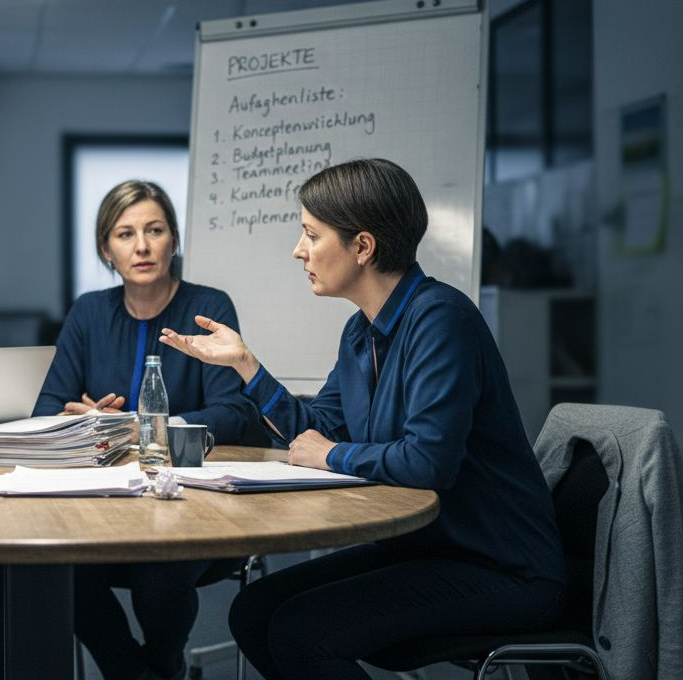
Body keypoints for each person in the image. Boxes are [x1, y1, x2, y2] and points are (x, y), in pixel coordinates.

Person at [160, 158, 566, 680]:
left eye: (311, 234)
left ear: (363, 247)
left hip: (501, 567)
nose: (298, 250)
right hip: (430, 547)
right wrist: (246, 364)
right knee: (253, 612)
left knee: (300, 633)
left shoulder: (442, 320)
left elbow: (428, 463)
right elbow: (319, 425)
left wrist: (331, 456)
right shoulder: (362, 332)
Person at [33, 179, 262, 680]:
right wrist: (81, 420)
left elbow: (233, 410)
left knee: (159, 570)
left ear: (173, 240)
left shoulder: (209, 307)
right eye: (124, 233)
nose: (141, 245)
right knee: (52, 570)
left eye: (154, 230)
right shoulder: (89, 312)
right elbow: (48, 405)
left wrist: (148, 429)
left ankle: (160, 665)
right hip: (103, 508)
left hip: (195, 509)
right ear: (105, 249)